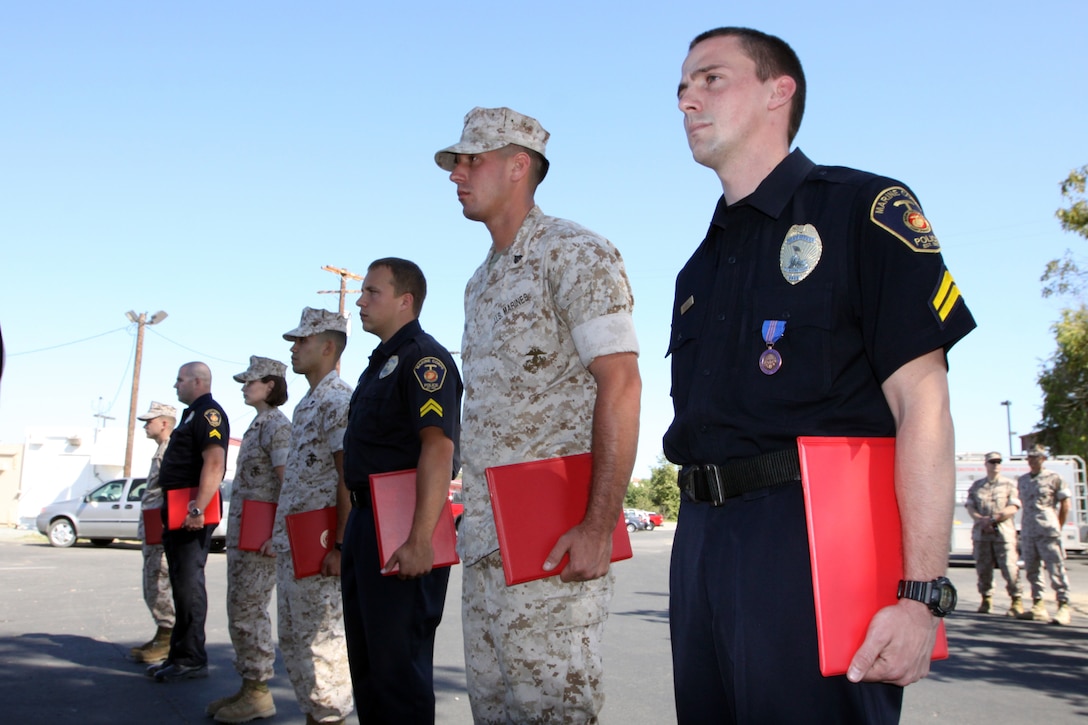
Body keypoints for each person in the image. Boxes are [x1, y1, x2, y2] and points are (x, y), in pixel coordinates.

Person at [666, 27, 976, 723]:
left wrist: (922, 593)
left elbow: (923, 401)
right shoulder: (698, 268)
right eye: (682, 87)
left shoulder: (865, 210)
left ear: (780, 92)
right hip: (700, 544)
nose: (687, 98)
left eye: (711, 78)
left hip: (811, 538)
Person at [435, 107, 642, 722]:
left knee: (551, 709)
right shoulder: (480, 283)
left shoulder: (576, 253)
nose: (457, 175)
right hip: (487, 541)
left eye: (472, 160)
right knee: (495, 707)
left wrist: (599, 524)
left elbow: (622, 382)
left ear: (519, 165)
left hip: (553, 535)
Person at [339, 258, 463, 722]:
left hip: (403, 525)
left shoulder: (424, 359)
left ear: (404, 300)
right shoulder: (380, 365)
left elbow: (438, 448)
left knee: (398, 673)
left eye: (372, 292)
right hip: (366, 522)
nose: (361, 300)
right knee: (368, 667)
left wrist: (420, 539)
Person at [272, 308, 354, 724]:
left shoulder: (337, 400)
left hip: (322, 551)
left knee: (323, 651)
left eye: (301, 341)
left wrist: (340, 545)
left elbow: (348, 477)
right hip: (298, 548)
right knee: (297, 644)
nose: (294, 347)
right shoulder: (308, 402)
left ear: (327, 347)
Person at [206, 356, 291, 723]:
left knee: (249, 610)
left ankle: (258, 692)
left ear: (270, 385)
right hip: (245, 535)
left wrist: (279, 534)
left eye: (250, 381)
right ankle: (249, 685)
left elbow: (288, 482)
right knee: (238, 608)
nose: (244, 386)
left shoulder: (276, 427)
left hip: (261, 539)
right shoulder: (258, 425)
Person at [148, 362, 230, 682]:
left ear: (198, 381)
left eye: (179, 380)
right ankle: (179, 654)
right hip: (177, 508)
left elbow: (214, 462)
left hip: (190, 512)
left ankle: (192, 657)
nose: (175, 385)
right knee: (180, 584)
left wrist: (198, 510)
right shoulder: (192, 414)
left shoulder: (210, 413)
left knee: (188, 583)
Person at [130, 400, 177, 664]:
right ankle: (162, 633)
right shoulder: (162, 449)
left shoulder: (171, 449)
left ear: (164, 423)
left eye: (149, 421)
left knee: (158, 580)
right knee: (152, 580)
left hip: (160, 524)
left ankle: (167, 635)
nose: (145, 426)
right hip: (152, 524)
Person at [1016, 444, 1074, 625]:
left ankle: (1063, 605)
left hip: (1047, 530)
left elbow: (1065, 504)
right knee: (1032, 569)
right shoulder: (1023, 480)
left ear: (1043, 459)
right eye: (1029, 457)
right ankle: (1038, 605)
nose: (1032, 460)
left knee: (1055, 568)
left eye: (1036, 457)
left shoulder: (1054, 478)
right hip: (1028, 530)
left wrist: (1058, 525)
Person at [965, 451, 1023, 616]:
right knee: (983, 568)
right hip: (982, 533)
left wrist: (995, 518)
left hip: (1003, 533)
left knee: (1010, 569)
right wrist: (981, 520)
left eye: (998, 462)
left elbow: (1013, 507)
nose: (995, 465)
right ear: (986, 464)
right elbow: (970, 506)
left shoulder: (1009, 484)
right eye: (992, 462)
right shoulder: (977, 486)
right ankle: (986, 599)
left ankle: (1016, 600)